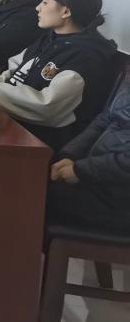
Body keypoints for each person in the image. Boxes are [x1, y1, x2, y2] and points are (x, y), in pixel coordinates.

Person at [0, 0, 117, 150]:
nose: (37, 8)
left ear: (66, 12)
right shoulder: (50, 38)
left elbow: (46, 106)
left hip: (40, 143)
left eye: (44, 2)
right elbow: (11, 77)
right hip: (11, 125)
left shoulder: (86, 57)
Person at [47, 83, 130, 234]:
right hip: (95, 181)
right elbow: (103, 121)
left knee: (37, 196)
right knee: (35, 181)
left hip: (117, 201)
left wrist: (80, 170)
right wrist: (70, 156)